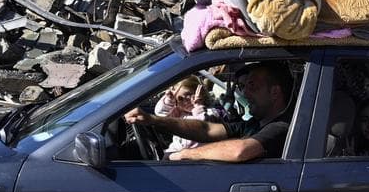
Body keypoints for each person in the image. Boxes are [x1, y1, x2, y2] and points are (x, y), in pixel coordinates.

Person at [124, 61, 293, 162]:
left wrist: (186, 154)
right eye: (244, 87)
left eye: (252, 86)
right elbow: (207, 129)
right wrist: (153, 120)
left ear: (275, 92)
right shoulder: (253, 124)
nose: (245, 93)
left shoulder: (281, 127)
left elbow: (241, 150)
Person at [152, 76, 219, 154]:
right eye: (180, 99)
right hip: (176, 151)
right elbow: (160, 112)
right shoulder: (179, 113)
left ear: (200, 92)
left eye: (189, 94)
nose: (185, 101)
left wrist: (198, 106)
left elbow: (204, 128)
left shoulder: (211, 112)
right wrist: (169, 100)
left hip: (196, 155)